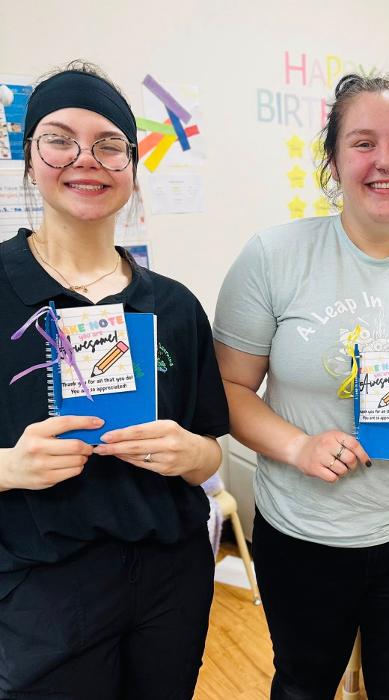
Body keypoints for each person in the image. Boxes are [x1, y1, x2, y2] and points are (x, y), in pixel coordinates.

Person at [214, 72, 389, 699]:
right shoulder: (273, 257)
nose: (384, 160)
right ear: (334, 159)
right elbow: (229, 389)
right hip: (302, 530)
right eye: (363, 142)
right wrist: (298, 446)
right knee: (303, 686)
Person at [0, 62, 228, 698]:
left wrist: (189, 454)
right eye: (60, 139)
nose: (86, 159)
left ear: (131, 165)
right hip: (41, 587)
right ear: (29, 158)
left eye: (108, 144)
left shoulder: (173, 306)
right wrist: (8, 467)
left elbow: (211, 448)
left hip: (170, 579)